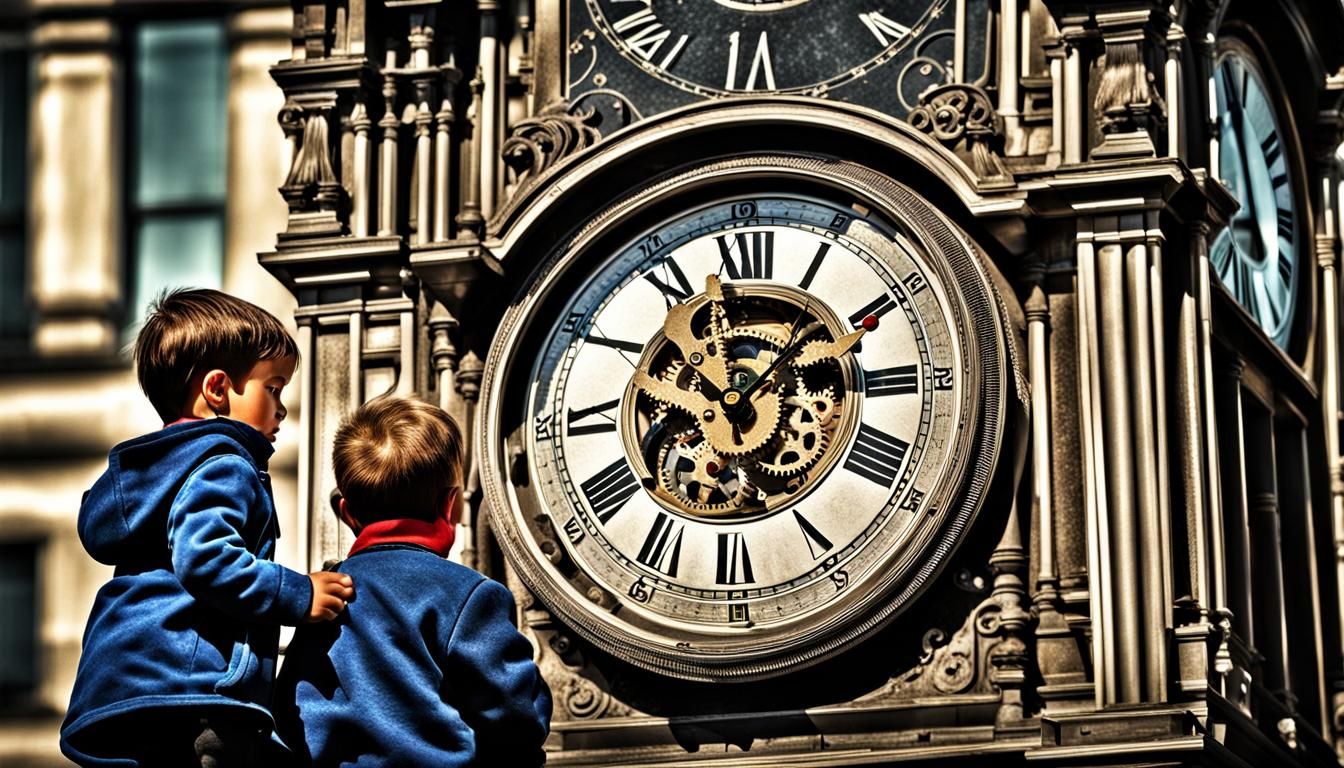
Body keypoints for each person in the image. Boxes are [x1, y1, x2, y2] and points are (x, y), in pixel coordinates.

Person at [60, 288, 356, 767]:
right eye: (273, 388)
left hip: (122, 691)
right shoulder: (223, 463)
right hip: (192, 696)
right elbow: (208, 559)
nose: (281, 408)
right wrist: (300, 594)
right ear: (218, 389)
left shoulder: (152, 473)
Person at [274, 395, 552, 767]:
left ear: (346, 513)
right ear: (450, 506)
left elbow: (290, 711)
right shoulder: (470, 596)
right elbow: (517, 717)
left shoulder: (322, 597)